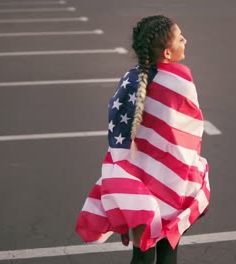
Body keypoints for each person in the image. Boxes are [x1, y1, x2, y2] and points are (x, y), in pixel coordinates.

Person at [76, 15, 210, 264]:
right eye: (180, 38)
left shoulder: (131, 80)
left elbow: (119, 132)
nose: (185, 40)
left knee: (142, 256)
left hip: (136, 187)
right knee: (169, 250)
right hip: (172, 182)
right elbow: (187, 138)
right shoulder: (180, 83)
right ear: (168, 53)